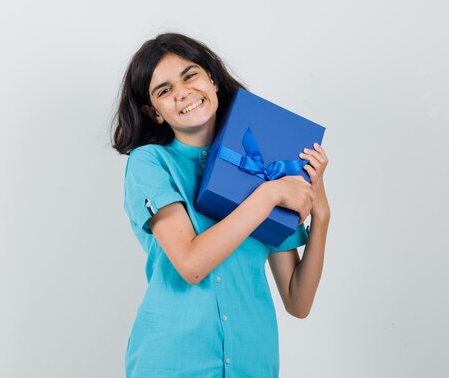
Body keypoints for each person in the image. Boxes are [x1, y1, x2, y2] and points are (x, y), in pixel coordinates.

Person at [111, 33, 330, 378]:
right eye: (164, 90)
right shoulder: (150, 163)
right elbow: (191, 263)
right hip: (173, 363)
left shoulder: (266, 164)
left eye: (190, 75)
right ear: (153, 112)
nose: (182, 92)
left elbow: (298, 301)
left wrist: (321, 214)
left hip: (253, 362)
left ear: (212, 79)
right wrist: (270, 195)